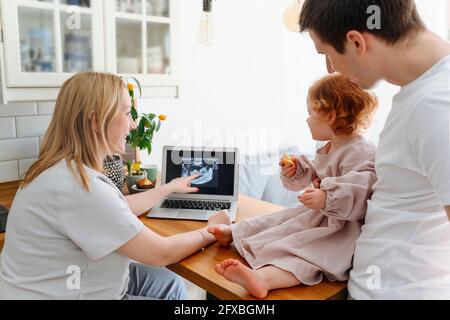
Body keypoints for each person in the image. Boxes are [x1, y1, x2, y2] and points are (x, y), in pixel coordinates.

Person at [0, 72, 231, 300]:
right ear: (96, 121)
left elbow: (117, 207)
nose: (132, 124)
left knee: (168, 282)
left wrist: (167, 188)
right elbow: (162, 253)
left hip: (58, 282)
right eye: (125, 112)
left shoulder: (60, 170)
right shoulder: (80, 187)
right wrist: (211, 231)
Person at [299, 0, 450, 299]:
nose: (330, 69)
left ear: (356, 41)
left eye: (327, 54)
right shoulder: (419, 92)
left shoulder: (436, 105)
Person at [208, 74, 378, 299]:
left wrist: (326, 199)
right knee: (277, 220)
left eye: (310, 113)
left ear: (330, 115)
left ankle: (264, 279)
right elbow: (317, 175)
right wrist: (298, 171)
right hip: (319, 216)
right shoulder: (329, 146)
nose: (307, 120)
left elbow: (361, 191)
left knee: (307, 253)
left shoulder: (361, 151)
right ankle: (233, 233)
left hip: (340, 229)